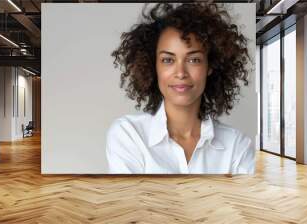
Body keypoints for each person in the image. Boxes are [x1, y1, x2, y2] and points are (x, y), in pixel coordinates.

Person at [107, 2, 254, 174]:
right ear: (153, 66)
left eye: (194, 60)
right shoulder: (129, 135)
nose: (181, 73)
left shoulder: (237, 146)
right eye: (168, 60)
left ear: (210, 66)